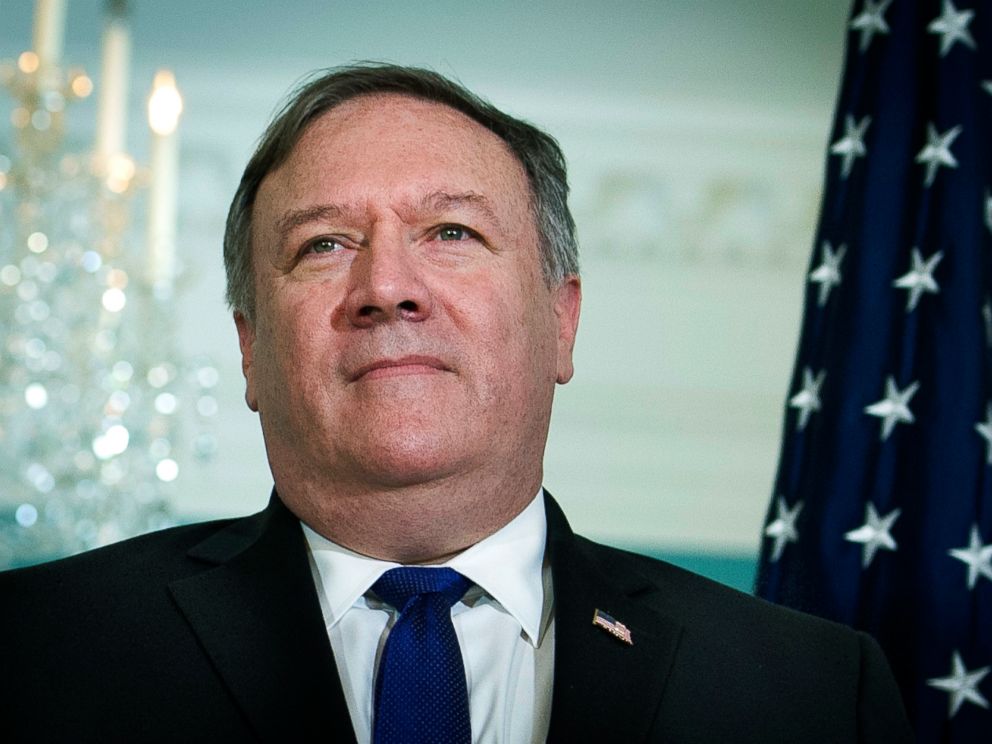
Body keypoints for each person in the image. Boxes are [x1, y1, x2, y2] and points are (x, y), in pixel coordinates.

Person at [0, 63, 913, 743]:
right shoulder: (34, 650)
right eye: (323, 244)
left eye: (451, 231)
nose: (386, 286)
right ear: (249, 347)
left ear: (561, 321)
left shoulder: (813, 694)